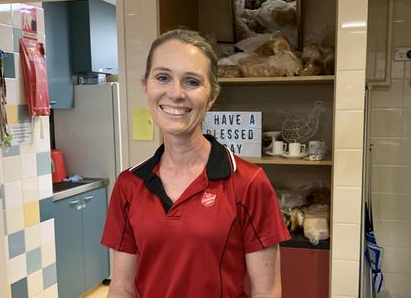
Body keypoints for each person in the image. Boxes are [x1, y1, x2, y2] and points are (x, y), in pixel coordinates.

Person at [101, 29, 291, 298]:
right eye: (163, 78)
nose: (176, 94)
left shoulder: (248, 183)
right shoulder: (129, 185)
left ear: (212, 95)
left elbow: (267, 292)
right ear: (146, 86)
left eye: (191, 82)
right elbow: (121, 289)